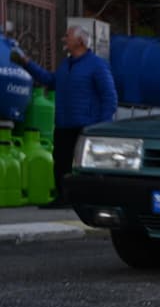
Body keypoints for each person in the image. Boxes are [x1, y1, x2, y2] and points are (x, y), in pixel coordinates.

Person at [12, 26, 117, 204]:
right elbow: (50, 80)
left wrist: (101, 126)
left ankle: (87, 199)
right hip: (63, 125)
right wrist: (26, 63)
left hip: (86, 126)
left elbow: (110, 97)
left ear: (80, 41)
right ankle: (63, 198)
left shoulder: (97, 65)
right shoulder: (66, 65)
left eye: (67, 36)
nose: (64, 39)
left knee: (84, 166)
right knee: (61, 162)